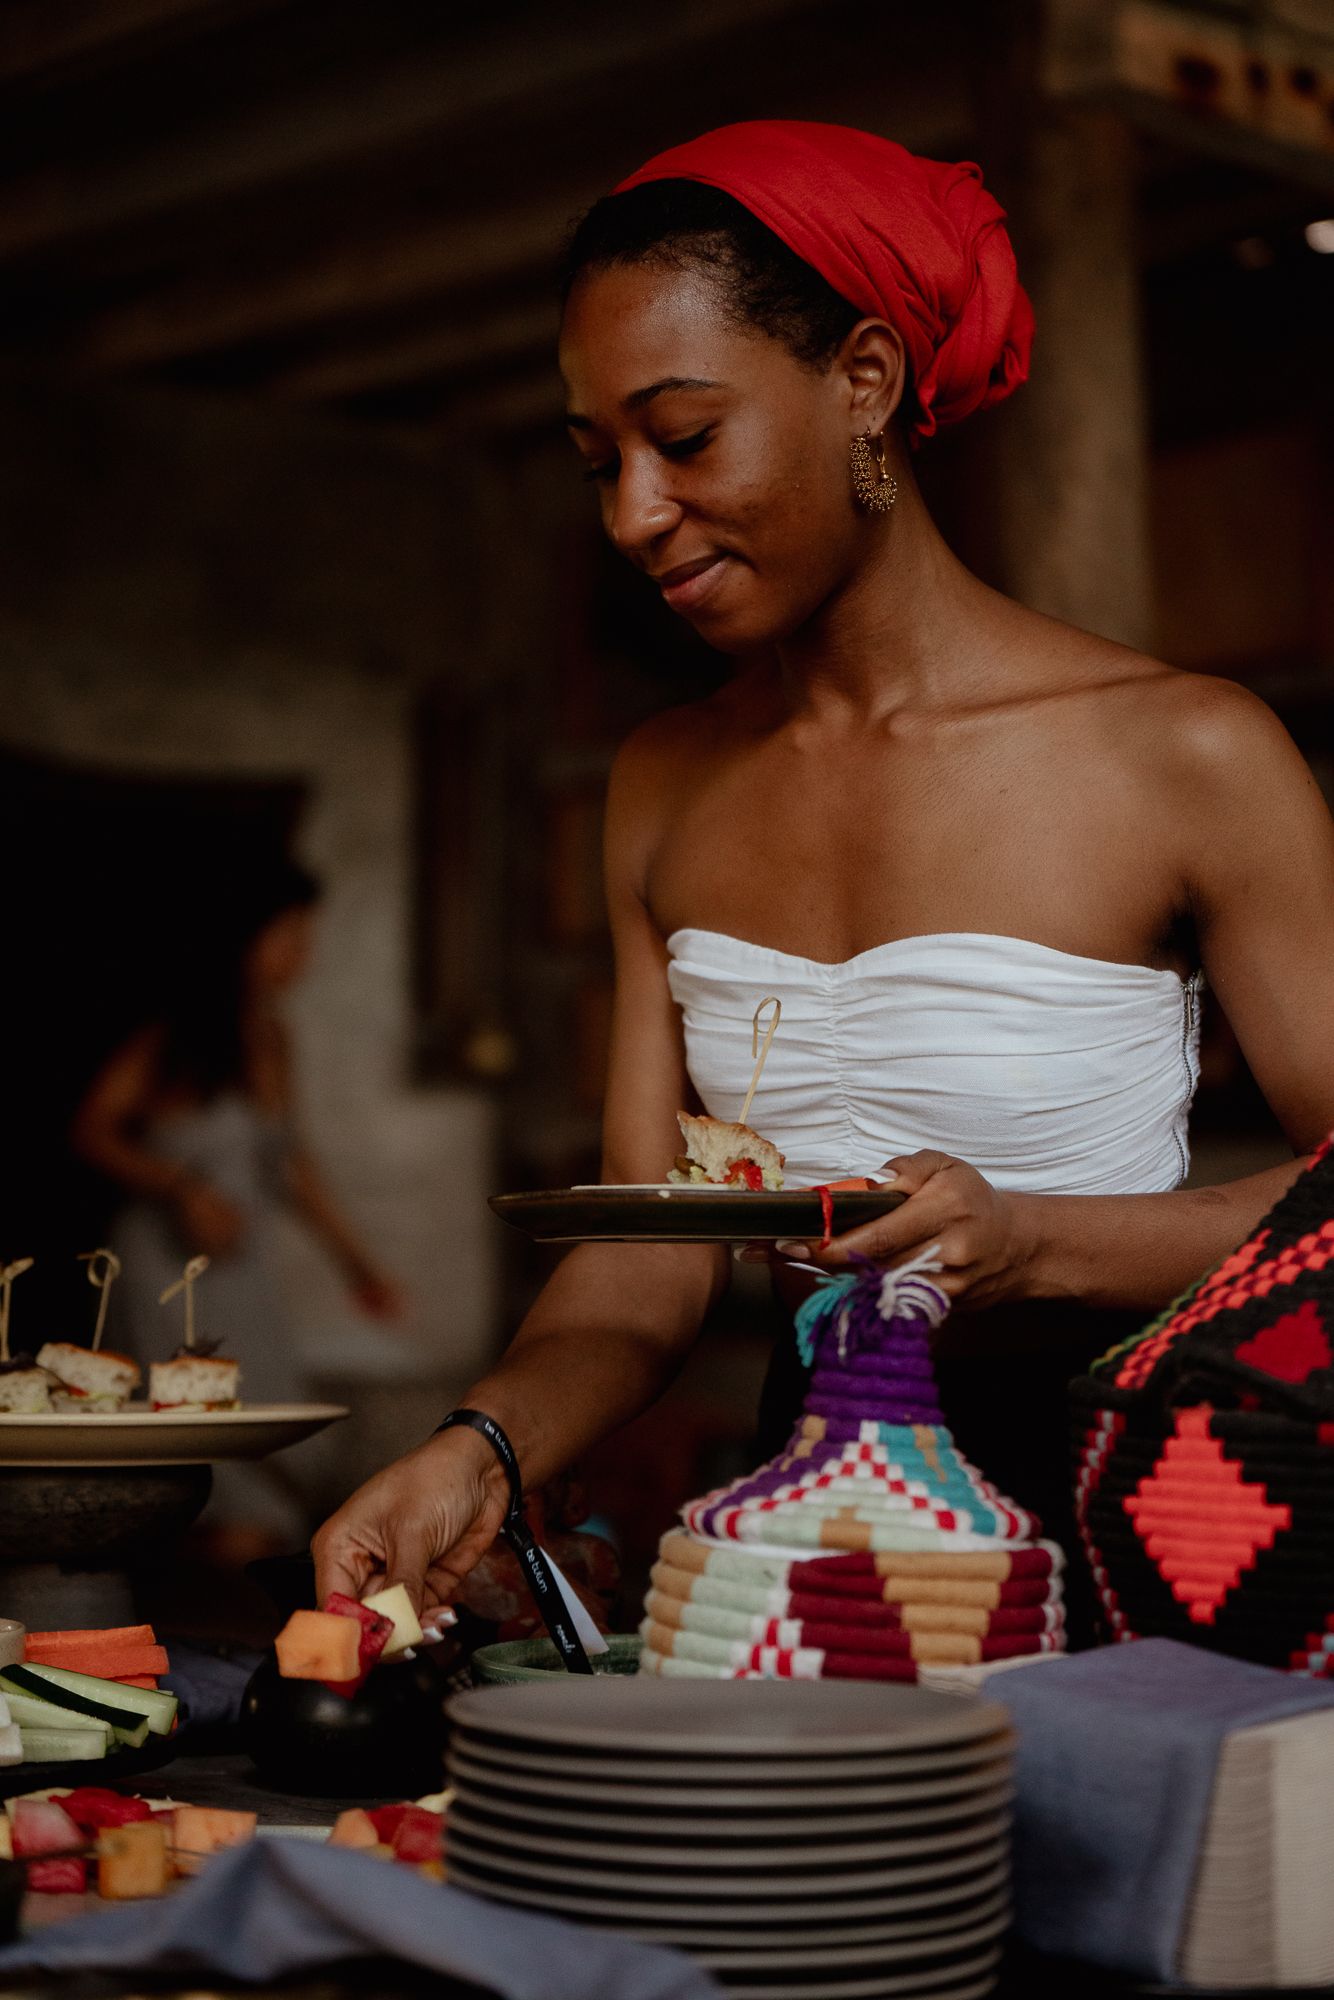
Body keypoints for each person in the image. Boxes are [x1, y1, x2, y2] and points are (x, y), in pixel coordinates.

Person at [314, 121, 1334, 1620]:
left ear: (863, 381)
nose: (632, 516)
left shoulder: (1181, 753)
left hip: (1129, 1531)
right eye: (600, 462)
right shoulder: (661, 785)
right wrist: (481, 1447)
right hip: (778, 1556)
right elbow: (638, 1266)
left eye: (683, 437)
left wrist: (1039, 1242)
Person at [73, 858, 405, 1544]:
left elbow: (290, 1164)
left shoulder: (273, 1037)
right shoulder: (175, 1038)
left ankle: (239, 1604)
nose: (301, 955)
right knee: (194, 1433)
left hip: (238, 1264)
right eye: (288, 935)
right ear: (244, 938)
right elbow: (92, 1130)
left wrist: (358, 1265)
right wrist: (182, 1185)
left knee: (266, 1426)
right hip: (168, 1265)